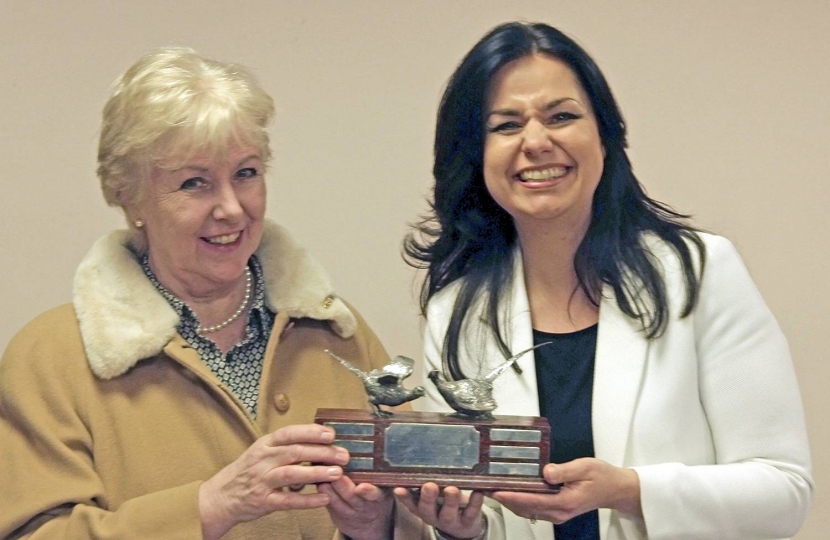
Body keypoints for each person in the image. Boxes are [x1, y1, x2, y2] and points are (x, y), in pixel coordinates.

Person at [401, 22, 813, 540]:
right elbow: (482, 516)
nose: (535, 141)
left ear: (606, 135)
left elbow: (783, 492)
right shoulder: (456, 311)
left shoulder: (700, 272)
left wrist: (628, 489)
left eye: (562, 117)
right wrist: (462, 527)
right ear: (476, 154)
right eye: (506, 125)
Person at [0, 47, 420, 540]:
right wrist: (209, 506)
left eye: (246, 173)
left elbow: (409, 506)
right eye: (194, 183)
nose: (231, 209)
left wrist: (377, 525)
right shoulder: (49, 359)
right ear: (130, 196)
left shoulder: (338, 330)